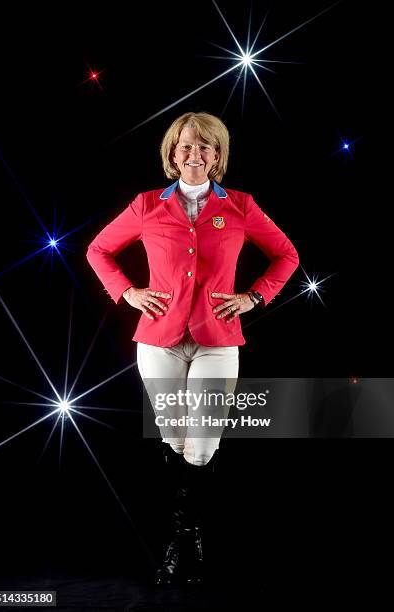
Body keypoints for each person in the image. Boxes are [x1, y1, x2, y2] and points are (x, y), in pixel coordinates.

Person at [86, 111, 299, 585]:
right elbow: (98, 250)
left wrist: (253, 297)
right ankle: (183, 540)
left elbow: (287, 255)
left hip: (217, 341)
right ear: (172, 154)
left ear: (217, 155)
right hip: (158, 341)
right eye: (186, 146)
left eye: (205, 146)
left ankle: (186, 534)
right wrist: (129, 293)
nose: (194, 154)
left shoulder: (240, 205)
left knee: (201, 448)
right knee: (174, 441)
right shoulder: (146, 205)